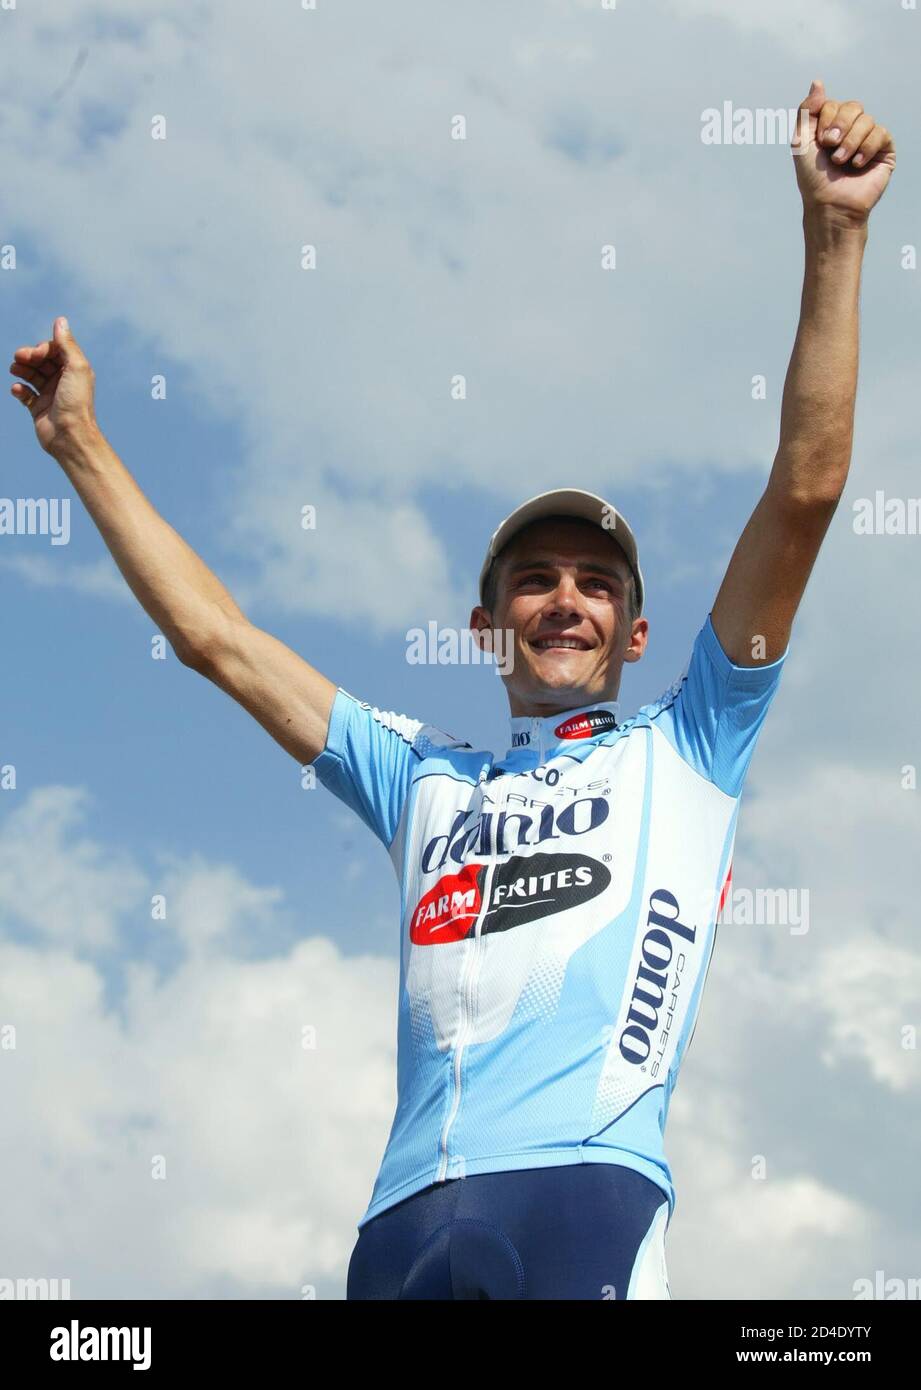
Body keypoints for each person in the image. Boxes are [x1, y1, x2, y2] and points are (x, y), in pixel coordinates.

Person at [9, 80, 894, 1300]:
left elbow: (803, 488)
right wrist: (81, 447)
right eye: (536, 582)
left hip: (586, 1192)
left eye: (597, 585)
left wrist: (835, 236)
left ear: (636, 634)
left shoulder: (690, 745)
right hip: (404, 1221)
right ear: (490, 627)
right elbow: (215, 638)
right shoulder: (419, 772)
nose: (567, 601)